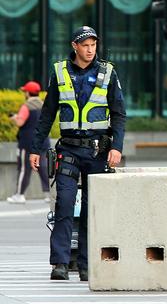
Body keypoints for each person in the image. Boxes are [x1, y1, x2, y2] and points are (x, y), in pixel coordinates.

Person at [29, 26, 126, 282]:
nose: (90, 49)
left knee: (92, 209)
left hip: (97, 152)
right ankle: (60, 264)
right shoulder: (60, 71)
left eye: (93, 44)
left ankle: (86, 265)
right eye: (85, 44)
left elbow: (118, 113)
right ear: (75, 46)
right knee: (64, 204)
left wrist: (117, 147)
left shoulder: (108, 72)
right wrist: (36, 148)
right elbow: (47, 113)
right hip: (69, 149)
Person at [6, 81, 50, 204]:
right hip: (43, 142)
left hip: (27, 143)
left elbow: (20, 122)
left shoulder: (27, 106)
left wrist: (15, 118)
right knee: (43, 168)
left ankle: (19, 195)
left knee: (24, 169)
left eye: (25, 91)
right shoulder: (44, 105)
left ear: (27, 93)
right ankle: (48, 194)